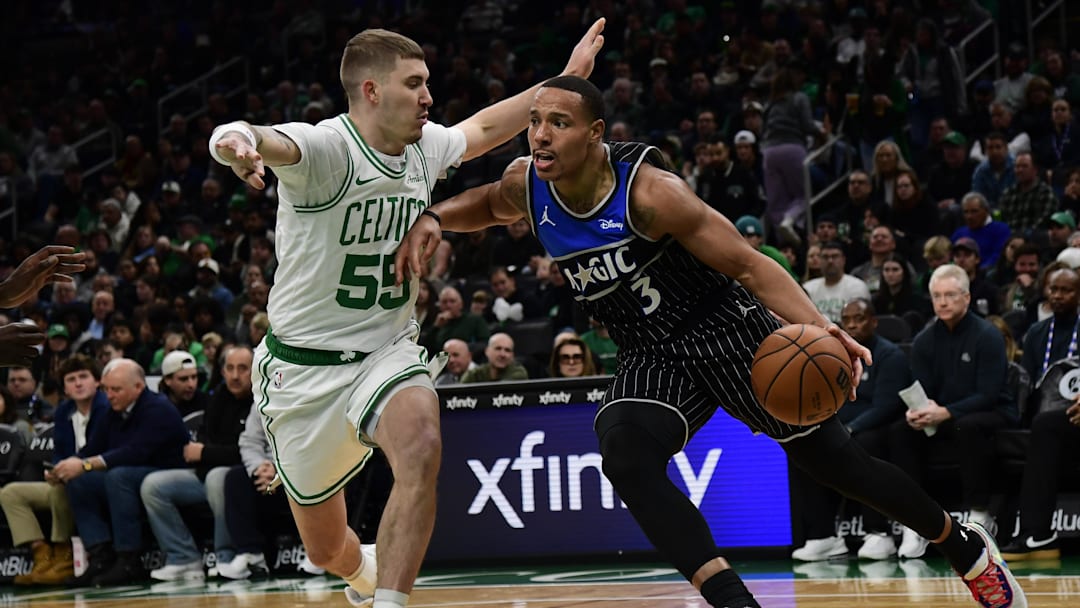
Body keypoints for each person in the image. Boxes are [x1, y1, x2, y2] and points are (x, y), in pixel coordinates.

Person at [395, 75, 1027, 608]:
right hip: (652, 351)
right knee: (624, 454)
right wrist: (435, 217)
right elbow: (486, 203)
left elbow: (751, 267)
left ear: (594, 134)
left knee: (843, 468)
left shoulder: (650, 194)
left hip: (728, 331)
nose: (539, 135)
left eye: (558, 123)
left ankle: (963, 547)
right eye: (535, 121)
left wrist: (820, 326)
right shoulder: (529, 184)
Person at [208, 20, 605, 608]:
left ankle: (392, 601)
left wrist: (566, 78)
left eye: (427, 84)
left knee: (420, 440)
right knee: (325, 552)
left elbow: (488, 126)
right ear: (371, 91)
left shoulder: (424, 147)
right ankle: (363, 572)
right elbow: (253, 134)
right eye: (414, 84)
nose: (429, 97)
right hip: (302, 372)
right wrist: (233, 142)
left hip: (385, 351)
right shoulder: (326, 150)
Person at [887, 264, 1017, 557]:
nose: (942, 302)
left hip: (992, 412)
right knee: (899, 431)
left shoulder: (988, 335)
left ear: (966, 298)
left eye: (949, 295)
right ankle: (915, 521)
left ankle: (980, 515)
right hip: (942, 413)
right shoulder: (924, 340)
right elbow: (921, 388)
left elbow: (989, 393)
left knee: (968, 426)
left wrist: (947, 412)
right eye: (936, 296)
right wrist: (916, 412)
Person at [790, 299, 909, 562]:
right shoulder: (829, 354)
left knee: (867, 442)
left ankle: (878, 532)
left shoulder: (889, 355)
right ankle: (824, 536)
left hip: (877, 430)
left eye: (860, 318)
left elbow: (887, 405)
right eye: (848, 319)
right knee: (802, 446)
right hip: (839, 427)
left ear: (874, 322)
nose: (853, 324)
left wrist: (852, 428)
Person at [54, 358, 189, 587]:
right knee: (78, 481)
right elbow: (93, 447)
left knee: (118, 476)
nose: (109, 395)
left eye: (116, 389)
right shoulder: (114, 411)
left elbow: (135, 452)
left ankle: (129, 559)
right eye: (106, 389)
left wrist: (86, 464)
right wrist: (67, 466)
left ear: (138, 387)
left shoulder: (158, 408)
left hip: (166, 472)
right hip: (132, 473)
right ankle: (100, 556)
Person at [139, 345, 254, 582]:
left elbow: (247, 451)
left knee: (218, 478)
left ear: (255, 371)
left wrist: (206, 454)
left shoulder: (261, 399)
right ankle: (183, 558)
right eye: (230, 368)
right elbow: (201, 443)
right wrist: (206, 454)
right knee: (153, 485)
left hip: (244, 474)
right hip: (207, 472)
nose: (235, 375)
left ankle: (226, 555)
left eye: (242, 369)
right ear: (222, 372)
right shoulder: (218, 397)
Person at [0, 355, 108, 585]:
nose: (78, 383)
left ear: (97, 381)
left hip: (97, 477)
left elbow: (102, 449)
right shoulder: (63, 411)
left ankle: (64, 556)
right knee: (10, 493)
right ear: (65, 388)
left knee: (64, 487)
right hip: (67, 479)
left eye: (83, 377)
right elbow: (60, 451)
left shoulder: (106, 408)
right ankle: (42, 556)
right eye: (71, 379)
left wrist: (72, 468)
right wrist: (55, 470)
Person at [1002, 269, 1080, 561]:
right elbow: (1028, 383)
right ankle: (1028, 530)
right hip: (1048, 416)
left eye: (1066, 291)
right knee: (1040, 424)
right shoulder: (1036, 333)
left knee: (1046, 426)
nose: (1058, 296)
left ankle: (1038, 533)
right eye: (1053, 289)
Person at [802, 241, 871, 324]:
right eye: (825, 257)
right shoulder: (808, 288)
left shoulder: (858, 286)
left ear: (843, 260)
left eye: (835, 256)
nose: (830, 261)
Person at [459, 333, 528, 383]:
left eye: (507, 350)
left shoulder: (518, 373)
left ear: (512, 356)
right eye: (498, 349)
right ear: (487, 351)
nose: (502, 354)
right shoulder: (474, 374)